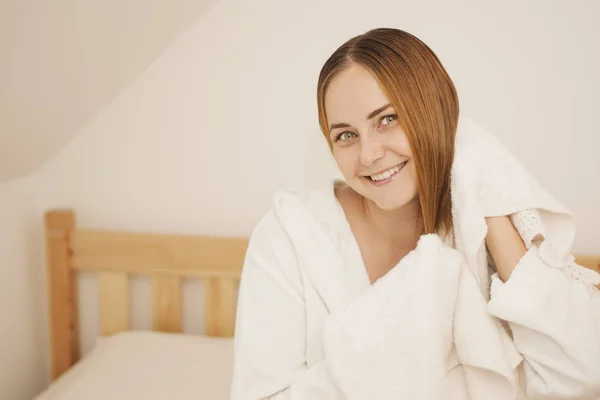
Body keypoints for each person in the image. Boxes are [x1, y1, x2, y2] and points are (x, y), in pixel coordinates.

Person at [229, 28, 600, 400]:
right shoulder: (291, 236)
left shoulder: (474, 227)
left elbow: (582, 373)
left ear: (433, 113)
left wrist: (486, 195)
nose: (369, 154)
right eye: (345, 135)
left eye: (387, 119)